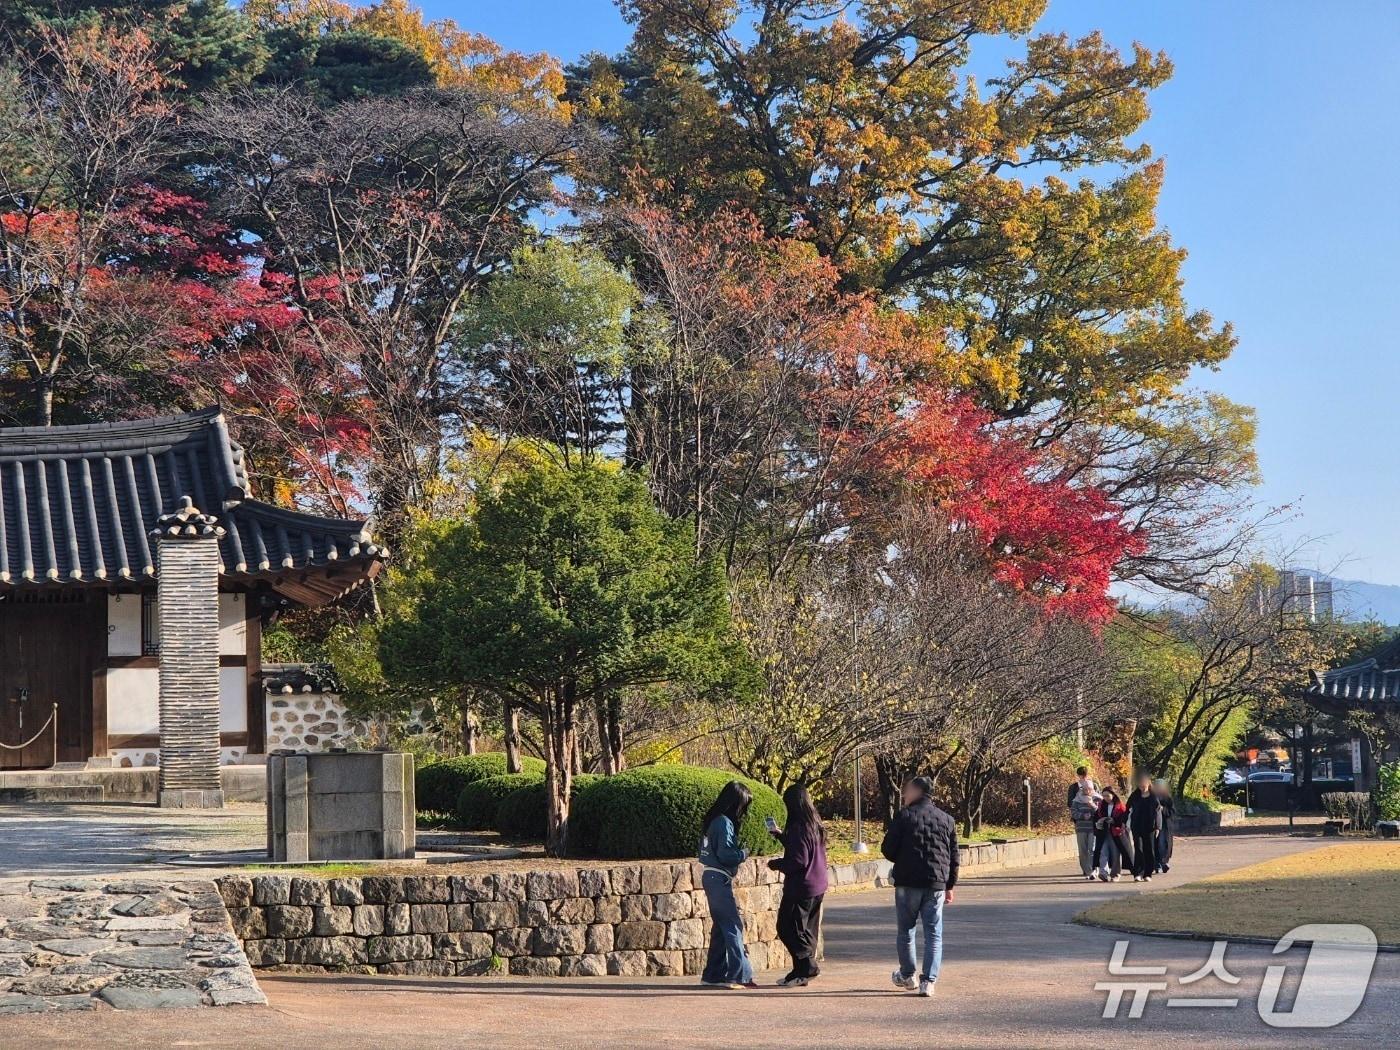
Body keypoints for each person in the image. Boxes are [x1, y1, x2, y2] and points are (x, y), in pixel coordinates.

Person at [880, 775, 959, 998]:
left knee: (906, 930)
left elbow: (888, 850)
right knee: (934, 934)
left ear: (917, 792)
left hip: (907, 882)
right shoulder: (947, 820)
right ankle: (929, 981)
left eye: (907, 791)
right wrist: (950, 885)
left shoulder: (904, 817)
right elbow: (954, 857)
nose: (904, 795)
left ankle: (907, 975)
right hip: (936, 884)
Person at [767, 783, 829, 987]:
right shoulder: (815, 824)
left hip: (801, 887)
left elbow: (798, 861)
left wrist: (776, 864)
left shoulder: (798, 827)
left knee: (787, 927)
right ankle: (800, 971)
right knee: (807, 930)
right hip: (818, 884)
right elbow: (803, 850)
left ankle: (808, 966)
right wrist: (781, 836)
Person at [698, 780, 758, 988]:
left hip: (711, 876)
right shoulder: (724, 822)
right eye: (743, 806)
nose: (744, 811)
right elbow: (725, 854)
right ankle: (739, 974)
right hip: (718, 878)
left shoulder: (714, 820)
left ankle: (713, 974)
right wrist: (743, 853)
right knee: (733, 926)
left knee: (721, 928)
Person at [1126, 773, 1162, 882]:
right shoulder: (1134, 796)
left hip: (1150, 827)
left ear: (1148, 783)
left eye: (1144, 782)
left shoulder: (1154, 796)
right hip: (1136, 826)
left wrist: (1158, 827)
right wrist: (1124, 823)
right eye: (1140, 783)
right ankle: (1138, 873)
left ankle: (1148, 873)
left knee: (1149, 850)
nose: (1142, 785)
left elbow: (1158, 812)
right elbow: (1127, 810)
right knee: (1138, 849)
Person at [1095, 787, 1132, 881]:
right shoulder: (1101, 805)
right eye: (1103, 796)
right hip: (1103, 832)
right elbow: (1096, 817)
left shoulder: (1120, 806)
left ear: (1113, 795)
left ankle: (1115, 874)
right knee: (1103, 852)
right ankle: (1103, 873)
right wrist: (1100, 822)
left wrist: (1114, 821)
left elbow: (1124, 819)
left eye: (1107, 795)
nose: (1105, 798)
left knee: (1115, 853)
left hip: (1116, 833)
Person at [1070, 787, 1100, 881]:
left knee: (1092, 849)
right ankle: (1087, 871)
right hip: (1081, 828)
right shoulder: (1076, 800)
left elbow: (1100, 812)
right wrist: (1082, 816)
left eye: (1089, 789)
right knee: (1083, 851)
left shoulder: (1096, 799)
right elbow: (1073, 813)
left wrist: (1092, 806)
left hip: (1093, 828)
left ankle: (1093, 870)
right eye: (1085, 789)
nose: (1087, 791)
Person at [1153, 779, 1175, 874]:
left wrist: (1163, 809)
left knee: (1164, 844)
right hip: (1154, 824)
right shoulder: (1151, 797)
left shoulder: (1168, 798)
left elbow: (1172, 811)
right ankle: (1157, 864)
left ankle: (1164, 863)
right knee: (1155, 844)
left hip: (1165, 825)